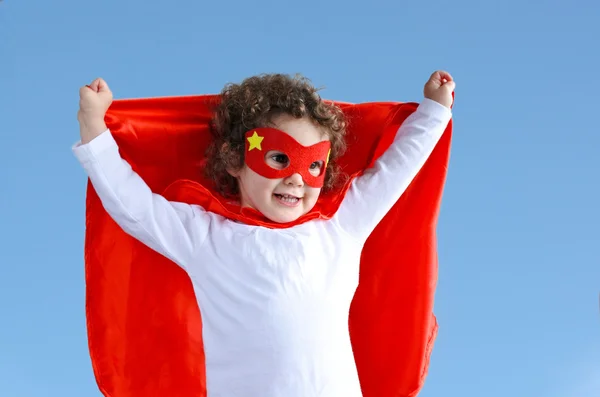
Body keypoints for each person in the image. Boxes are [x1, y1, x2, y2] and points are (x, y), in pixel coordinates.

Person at [73, 71, 454, 397]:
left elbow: (394, 173)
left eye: (313, 165)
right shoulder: (205, 237)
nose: (296, 178)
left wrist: (434, 113)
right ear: (236, 160)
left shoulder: (341, 228)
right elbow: (134, 206)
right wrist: (94, 130)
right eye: (278, 157)